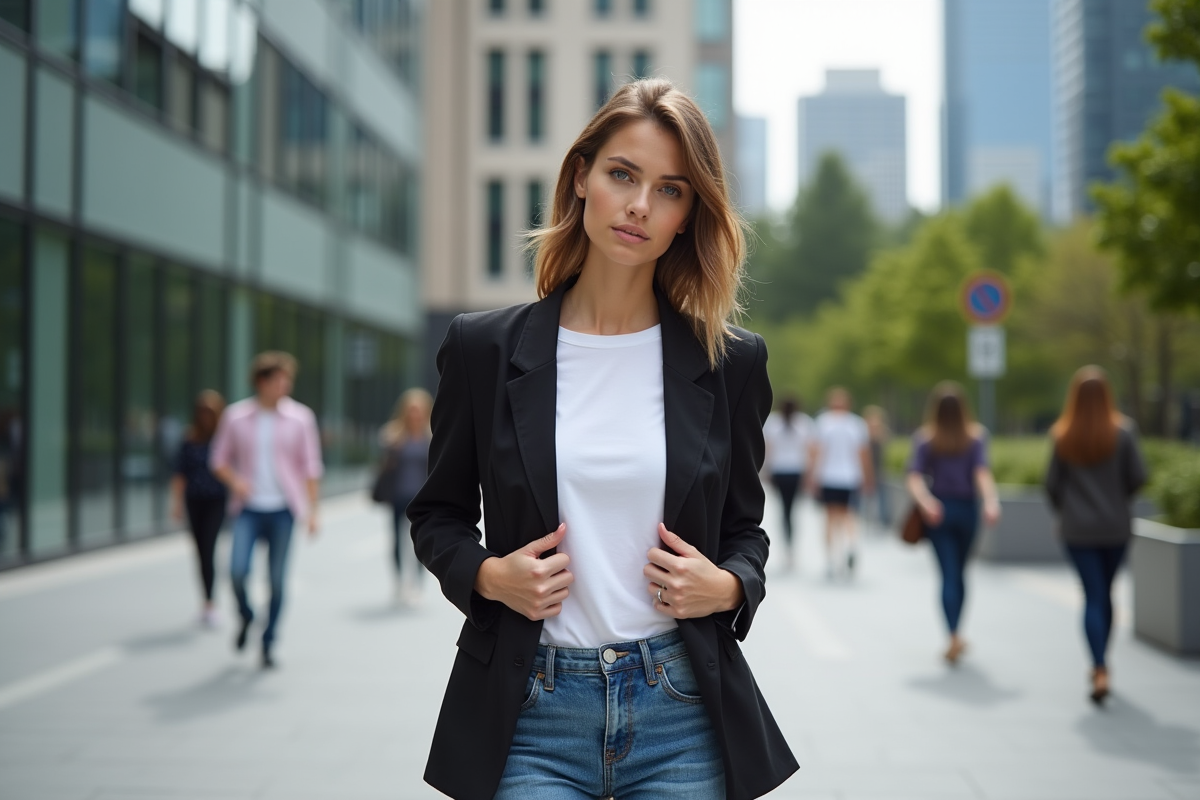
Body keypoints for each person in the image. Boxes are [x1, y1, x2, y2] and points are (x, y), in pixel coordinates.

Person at [408, 78, 796, 800]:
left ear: (688, 215)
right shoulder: (482, 350)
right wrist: (490, 577)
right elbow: (437, 515)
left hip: (680, 709)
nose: (640, 205)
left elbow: (745, 528)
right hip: (531, 712)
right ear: (581, 176)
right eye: (623, 174)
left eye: (670, 189)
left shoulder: (731, 363)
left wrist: (730, 584)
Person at [210, 352, 323, 669]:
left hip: (283, 510)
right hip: (247, 508)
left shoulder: (301, 418)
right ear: (261, 382)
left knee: (276, 581)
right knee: (236, 571)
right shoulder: (236, 417)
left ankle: (269, 641)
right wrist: (237, 482)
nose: (285, 385)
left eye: (288, 379)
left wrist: (313, 511)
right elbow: (218, 459)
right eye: (278, 379)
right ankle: (247, 615)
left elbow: (311, 466)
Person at [1045, 366, 1146, 704]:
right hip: (1115, 527)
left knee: (1092, 596)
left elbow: (1052, 486)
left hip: (1077, 529)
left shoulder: (1063, 435)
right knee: (1107, 594)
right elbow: (1137, 478)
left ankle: (1098, 665)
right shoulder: (1124, 432)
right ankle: (1104, 663)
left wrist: (1068, 509)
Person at [906, 382, 1001, 665]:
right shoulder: (976, 437)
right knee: (959, 573)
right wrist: (991, 502)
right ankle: (957, 633)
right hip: (967, 511)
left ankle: (952, 634)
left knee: (947, 574)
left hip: (939, 511)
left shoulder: (926, 438)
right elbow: (982, 473)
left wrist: (927, 503)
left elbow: (914, 476)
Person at [170, 390, 228, 627]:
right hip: (194, 500)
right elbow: (179, 474)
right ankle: (205, 601)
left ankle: (211, 603)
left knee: (209, 547)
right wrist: (176, 503)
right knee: (200, 552)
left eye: (210, 413)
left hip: (216, 500)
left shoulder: (224, 439)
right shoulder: (189, 439)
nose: (205, 417)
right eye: (201, 412)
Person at [807, 387, 873, 577]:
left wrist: (812, 476)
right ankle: (851, 545)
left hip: (828, 476)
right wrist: (868, 478)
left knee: (829, 518)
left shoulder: (823, 423)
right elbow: (863, 454)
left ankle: (830, 560)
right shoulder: (856, 424)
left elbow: (816, 452)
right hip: (850, 477)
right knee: (849, 515)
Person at [378, 388, 433, 606]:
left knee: (420, 542)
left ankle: (418, 583)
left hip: (422, 499)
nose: (414, 414)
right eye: (411, 410)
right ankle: (400, 581)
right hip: (398, 496)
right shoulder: (393, 435)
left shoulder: (432, 435)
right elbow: (384, 466)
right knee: (397, 541)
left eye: (418, 410)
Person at [762, 395, 812, 570]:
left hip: (780, 472)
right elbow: (809, 450)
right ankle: (790, 546)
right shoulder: (804, 423)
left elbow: (769, 450)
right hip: (796, 471)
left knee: (784, 510)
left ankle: (786, 546)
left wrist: (766, 471)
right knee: (792, 510)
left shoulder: (773, 423)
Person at [862, 405, 891, 531]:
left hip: (878, 471)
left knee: (881, 496)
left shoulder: (882, 434)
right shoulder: (863, 434)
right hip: (865, 471)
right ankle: (864, 519)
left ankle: (883, 520)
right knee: (864, 497)